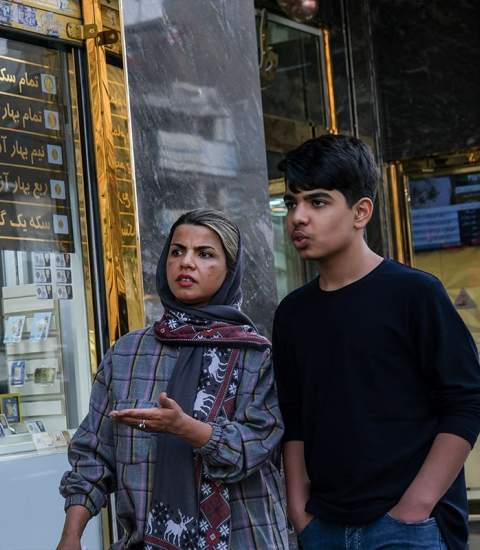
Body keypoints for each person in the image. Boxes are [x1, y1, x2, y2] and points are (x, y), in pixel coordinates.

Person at [273, 134, 480, 549]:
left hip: (408, 527)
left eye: (317, 202)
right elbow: (293, 419)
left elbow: (465, 402)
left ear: (360, 211)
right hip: (324, 527)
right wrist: (300, 511)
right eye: (291, 203)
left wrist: (415, 507)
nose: (298, 217)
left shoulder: (414, 293)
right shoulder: (293, 313)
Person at [58, 209, 288, 550]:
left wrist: (187, 429)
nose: (186, 262)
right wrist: (71, 535)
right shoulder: (127, 354)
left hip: (245, 540)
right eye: (177, 251)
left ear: (230, 271)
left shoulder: (256, 355)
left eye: (205, 254)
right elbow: (93, 453)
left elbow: (252, 447)